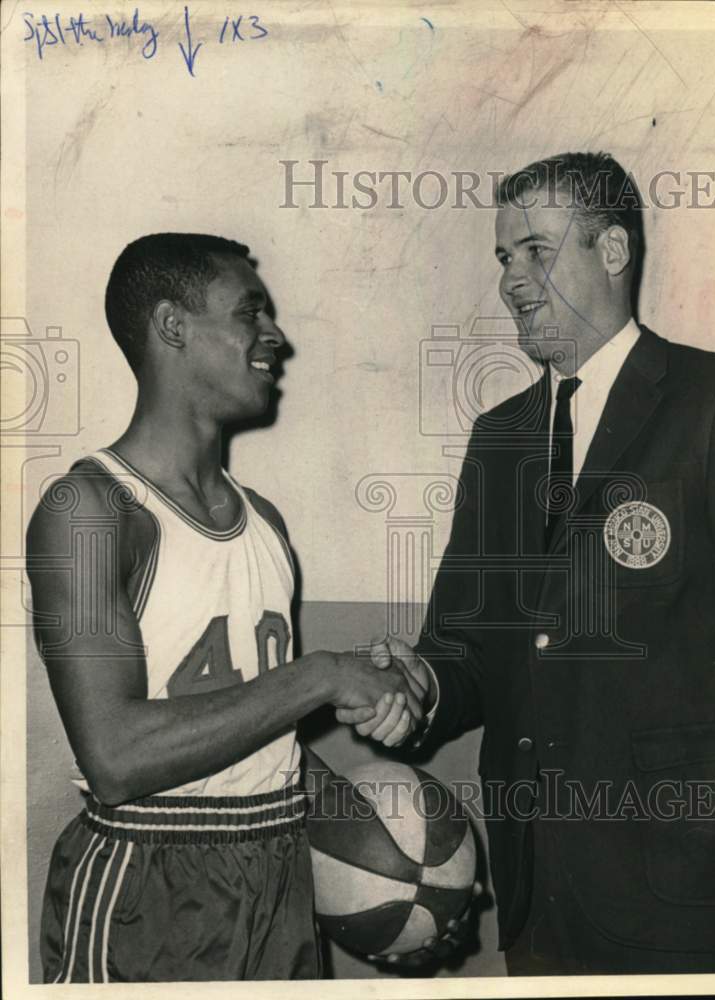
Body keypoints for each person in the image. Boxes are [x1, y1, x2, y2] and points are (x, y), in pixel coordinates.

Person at [343, 152, 715, 975]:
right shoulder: (500, 436)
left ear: (612, 251)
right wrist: (419, 691)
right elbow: (467, 646)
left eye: (536, 252)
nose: (513, 280)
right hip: (531, 889)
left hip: (682, 890)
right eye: (504, 258)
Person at [25, 233, 427, 983]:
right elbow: (114, 758)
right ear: (173, 326)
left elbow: (256, 746)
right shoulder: (87, 511)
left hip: (278, 878)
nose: (275, 336)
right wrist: (322, 677)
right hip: (149, 893)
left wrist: (403, 869)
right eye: (250, 313)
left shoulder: (264, 520)